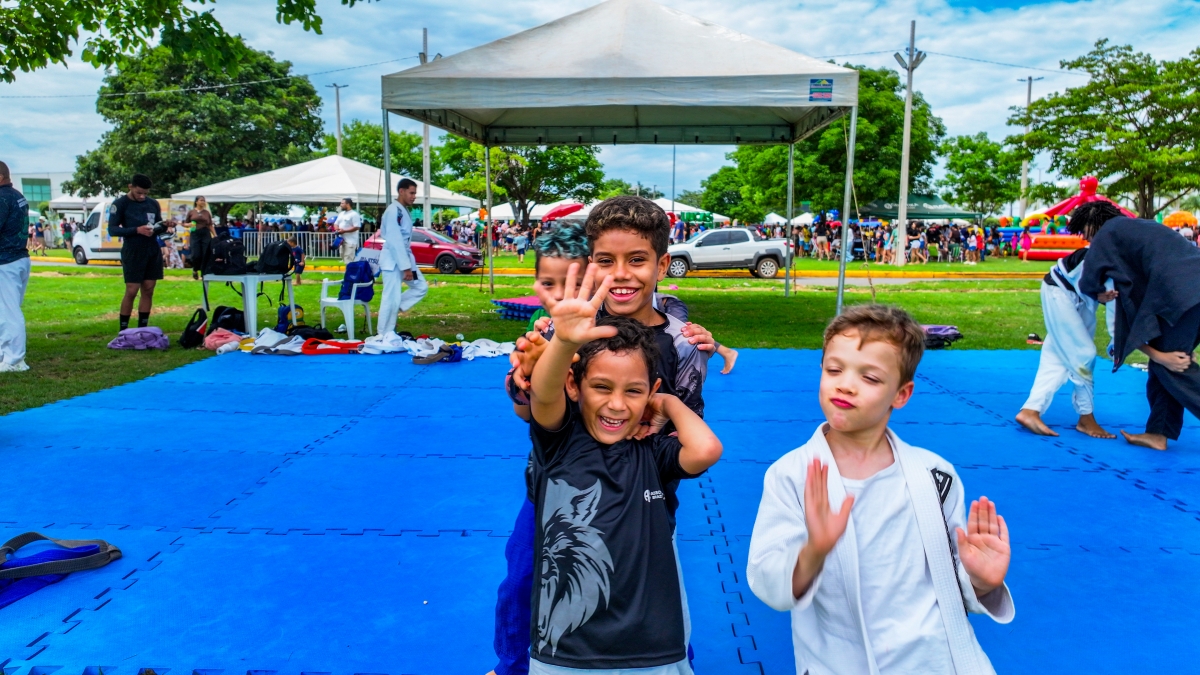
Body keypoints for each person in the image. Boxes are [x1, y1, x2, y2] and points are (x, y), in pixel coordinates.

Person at [747, 304, 1014, 675]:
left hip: (936, 661)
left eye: (870, 378)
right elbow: (767, 580)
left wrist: (981, 581)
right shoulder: (791, 475)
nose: (845, 384)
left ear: (901, 394)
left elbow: (950, 579)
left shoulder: (935, 475)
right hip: (838, 663)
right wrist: (813, 551)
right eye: (833, 370)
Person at [525, 264, 723, 673]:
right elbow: (542, 394)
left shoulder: (651, 450)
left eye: (633, 391)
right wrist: (564, 340)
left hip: (651, 649)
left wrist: (668, 403)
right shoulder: (558, 442)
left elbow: (706, 449)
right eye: (602, 387)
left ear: (650, 391)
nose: (617, 404)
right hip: (567, 652)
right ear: (574, 386)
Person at [1080, 213, 1200, 451]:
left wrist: (1096, 293)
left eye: (1083, 231)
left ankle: (1158, 432)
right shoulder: (1143, 229)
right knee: (1169, 362)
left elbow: (1088, 281)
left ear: (1093, 224)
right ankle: (1157, 433)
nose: (1085, 238)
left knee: (1173, 365)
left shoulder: (1108, 232)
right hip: (1189, 290)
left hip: (1183, 295)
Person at [1016, 202, 1122, 439]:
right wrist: (1116, 342)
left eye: (1089, 231)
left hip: (1082, 299)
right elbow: (1100, 292)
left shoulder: (1115, 255)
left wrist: (1117, 340)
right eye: (1084, 232)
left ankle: (1031, 410)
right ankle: (1086, 417)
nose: (1085, 237)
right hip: (1059, 293)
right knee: (1084, 353)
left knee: (1056, 354)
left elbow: (1112, 299)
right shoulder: (1098, 255)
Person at [109, 174, 170, 331]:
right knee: (132, 290)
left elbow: (157, 226)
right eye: (139, 193)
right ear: (130, 187)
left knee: (149, 288)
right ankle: (123, 330)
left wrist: (166, 226)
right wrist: (136, 230)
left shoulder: (153, 203)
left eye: (145, 193)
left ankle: (142, 328)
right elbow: (112, 229)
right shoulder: (120, 204)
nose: (142, 196)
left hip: (152, 249)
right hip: (133, 249)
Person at [376, 179, 428, 336]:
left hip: (404, 256)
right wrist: (406, 267)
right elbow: (395, 240)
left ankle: (396, 306)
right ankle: (383, 335)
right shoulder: (393, 211)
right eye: (411, 193)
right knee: (390, 297)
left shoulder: (402, 210)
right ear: (401, 191)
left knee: (420, 287)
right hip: (392, 259)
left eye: (415, 193)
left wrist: (407, 265)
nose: (414, 196)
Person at [0, 161, 31, 372]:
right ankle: (6, 354)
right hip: (18, 258)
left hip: (6, 261)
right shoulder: (17, 196)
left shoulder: (2, 198)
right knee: (6, 311)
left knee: (9, 313)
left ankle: (15, 360)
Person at [186, 196, 215, 280]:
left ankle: (204, 273)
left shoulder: (207, 213)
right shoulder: (191, 212)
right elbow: (185, 223)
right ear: (196, 202)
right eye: (201, 200)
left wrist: (215, 235)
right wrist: (188, 224)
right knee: (196, 254)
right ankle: (195, 269)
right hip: (195, 233)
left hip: (205, 233)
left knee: (205, 253)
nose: (203, 202)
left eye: (204, 200)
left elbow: (210, 225)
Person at [334, 198, 361, 264]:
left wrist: (344, 231)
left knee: (348, 258)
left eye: (342, 203)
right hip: (341, 240)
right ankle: (349, 270)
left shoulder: (354, 214)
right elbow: (336, 223)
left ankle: (350, 270)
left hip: (350, 241)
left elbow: (357, 227)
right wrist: (337, 229)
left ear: (348, 204)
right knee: (343, 257)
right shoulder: (341, 214)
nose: (340, 205)